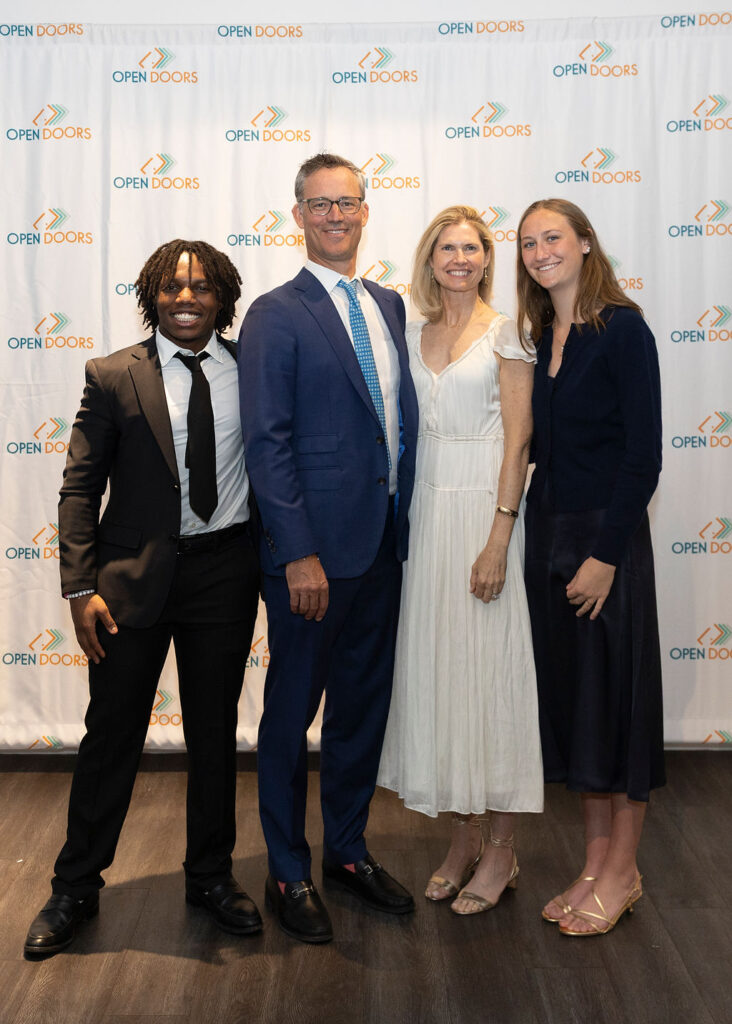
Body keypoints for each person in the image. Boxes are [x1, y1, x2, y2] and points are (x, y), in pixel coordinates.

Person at [24, 240, 262, 957]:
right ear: (152, 296)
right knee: (112, 735)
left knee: (214, 734)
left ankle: (211, 876)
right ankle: (75, 886)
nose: (186, 299)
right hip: (129, 582)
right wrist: (80, 586)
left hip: (224, 574)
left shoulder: (253, 369)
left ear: (222, 297)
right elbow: (79, 487)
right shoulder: (111, 374)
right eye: (172, 287)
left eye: (201, 287)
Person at [239, 153, 419, 944]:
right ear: (299, 217)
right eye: (320, 204)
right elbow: (267, 443)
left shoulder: (388, 304)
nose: (335, 216)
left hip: (381, 547)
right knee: (290, 716)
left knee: (361, 710)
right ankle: (287, 869)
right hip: (311, 561)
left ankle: (347, 850)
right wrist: (297, 551)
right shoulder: (275, 313)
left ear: (365, 211)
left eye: (347, 202)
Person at [378, 206, 544, 915]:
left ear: (486, 260)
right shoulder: (410, 334)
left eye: (471, 248)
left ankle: (502, 849)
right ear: (430, 259)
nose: (459, 258)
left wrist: (499, 537)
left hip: (484, 510)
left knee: (491, 678)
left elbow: (519, 440)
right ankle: (461, 840)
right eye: (447, 247)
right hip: (426, 515)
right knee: (445, 678)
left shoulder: (509, 332)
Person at [517, 198, 664, 936]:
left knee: (618, 708)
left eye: (553, 237)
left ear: (583, 243)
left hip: (607, 541)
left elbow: (644, 455)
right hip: (548, 535)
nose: (540, 251)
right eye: (528, 243)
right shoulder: (544, 332)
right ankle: (594, 863)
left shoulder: (623, 329)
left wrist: (605, 556)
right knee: (582, 708)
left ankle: (625, 871)